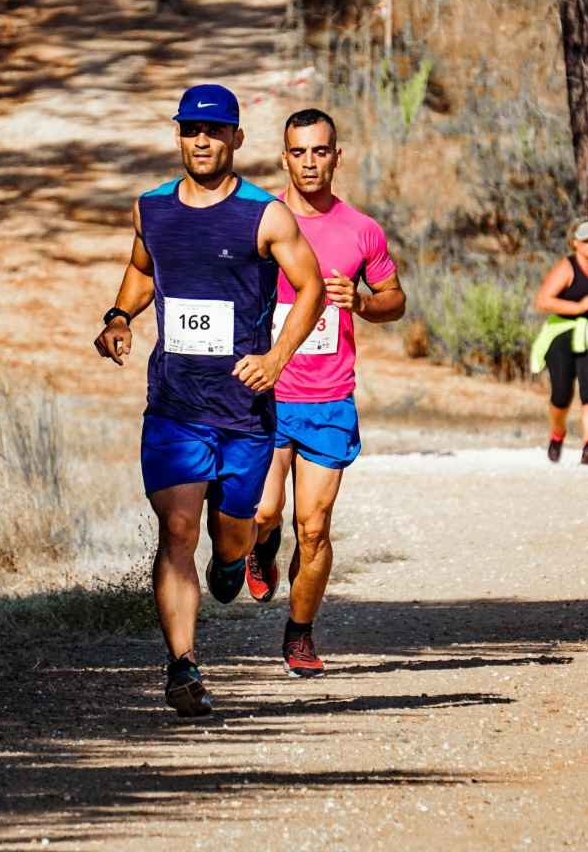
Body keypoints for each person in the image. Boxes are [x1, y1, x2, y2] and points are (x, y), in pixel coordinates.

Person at [93, 83, 325, 717]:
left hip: (244, 416)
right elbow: (144, 268)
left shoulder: (265, 216)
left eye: (215, 131)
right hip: (174, 407)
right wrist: (119, 317)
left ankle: (234, 560)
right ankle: (182, 668)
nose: (203, 140)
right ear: (178, 136)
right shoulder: (152, 210)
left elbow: (312, 291)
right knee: (176, 530)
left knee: (228, 537)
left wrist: (277, 359)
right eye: (192, 130)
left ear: (236, 140)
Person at [245, 109, 405, 679]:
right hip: (267, 394)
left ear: (337, 156)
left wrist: (362, 302)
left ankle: (300, 634)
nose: (310, 162)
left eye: (320, 151)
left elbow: (395, 299)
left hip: (328, 399)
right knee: (265, 510)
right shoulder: (261, 221)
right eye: (299, 152)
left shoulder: (362, 230)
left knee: (313, 529)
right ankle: (261, 545)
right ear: (283, 157)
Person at [529, 220, 588, 464]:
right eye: (586, 240)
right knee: (561, 393)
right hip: (564, 333)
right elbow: (542, 301)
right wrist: (579, 306)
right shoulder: (566, 268)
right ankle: (557, 432)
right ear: (575, 243)